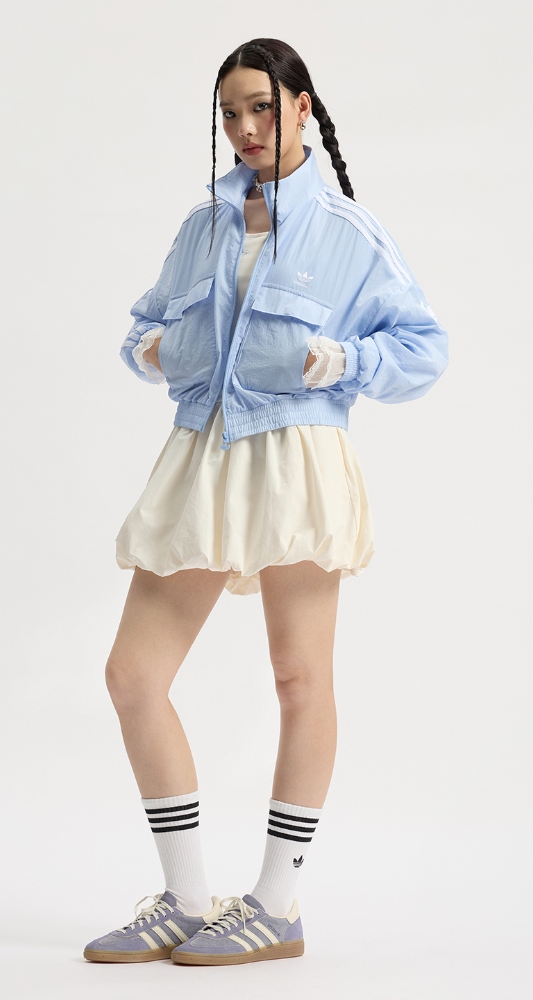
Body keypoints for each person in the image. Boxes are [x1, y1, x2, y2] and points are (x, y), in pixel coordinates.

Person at [84, 37, 448, 966]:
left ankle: (276, 905)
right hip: (202, 454)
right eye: (230, 114)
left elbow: (424, 348)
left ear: (301, 107)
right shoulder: (204, 224)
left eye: (261, 107)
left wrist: (348, 361)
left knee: (298, 677)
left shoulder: (349, 232)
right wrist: (152, 351)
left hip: (297, 459)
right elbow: (143, 327)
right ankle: (185, 898)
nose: (245, 127)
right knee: (134, 676)